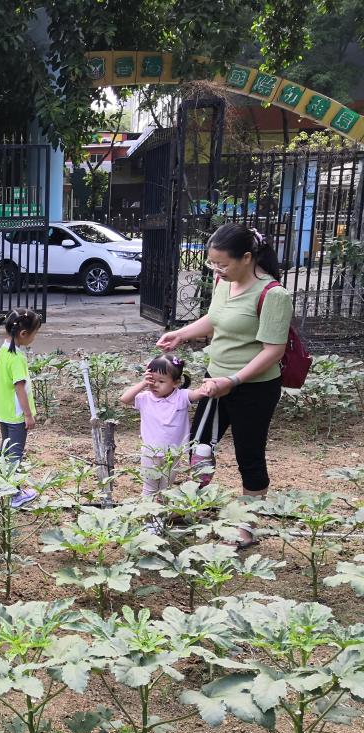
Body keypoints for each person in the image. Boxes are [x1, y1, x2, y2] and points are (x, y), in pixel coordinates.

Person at [157, 223, 293, 545]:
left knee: (249, 456)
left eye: (223, 264)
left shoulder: (273, 294)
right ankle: (195, 504)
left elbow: (274, 351)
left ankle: (247, 527)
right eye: (212, 263)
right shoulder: (223, 282)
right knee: (199, 448)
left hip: (252, 388)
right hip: (213, 382)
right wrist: (182, 333)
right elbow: (216, 318)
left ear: (246, 257)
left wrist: (234, 380)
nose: (216, 269)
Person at [120, 355, 204, 498]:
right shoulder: (145, 398)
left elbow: (197, 394)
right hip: (150, 454)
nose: (155, 385)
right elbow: (124, 399)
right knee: (150, 488)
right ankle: (149, 517)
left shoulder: (181, 397)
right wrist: (142, 384)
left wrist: (207, 388)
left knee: (166, 489)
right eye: (152, 380)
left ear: (176, 382)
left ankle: (161, 518)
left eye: (161, 381)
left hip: (173, 454)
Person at [0, 308, 42, 507]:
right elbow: (19, 388)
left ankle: (6, 488)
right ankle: (15, 495)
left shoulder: (4, 350)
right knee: (15, 454)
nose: (35, 337)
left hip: (3, 412)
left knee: (7, 450)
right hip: (16, 415)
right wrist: (28, 415)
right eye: (35, 333)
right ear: (23, 334)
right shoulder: (17, 357)